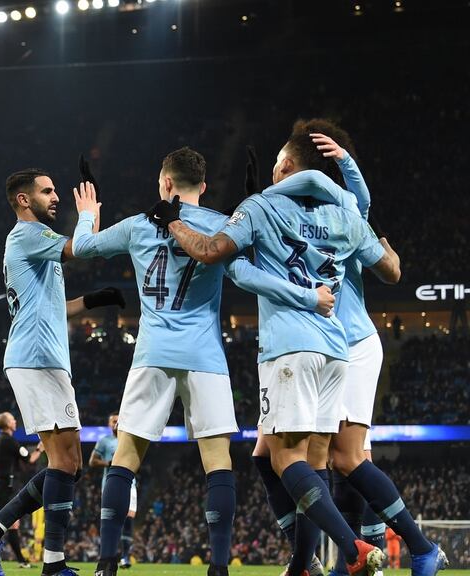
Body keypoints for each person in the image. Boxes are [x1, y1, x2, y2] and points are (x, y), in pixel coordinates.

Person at [151, 121, 406, 576]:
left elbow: (213, 252)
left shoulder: (266, 208)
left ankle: (357, 549)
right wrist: (347, 165)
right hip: (335, 349)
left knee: (301, 458)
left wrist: (172, 220)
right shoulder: (342, 210)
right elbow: (377, 242)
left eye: (275, 165)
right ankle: (304, 561)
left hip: (295, 345)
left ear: (285, 165)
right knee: (302, 458)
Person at [73, 147, 331, 576]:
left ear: (166, 183)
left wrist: (87, 213)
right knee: (218, 462)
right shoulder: (219, 227)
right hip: (205, 356)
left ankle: (105, 563)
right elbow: (249, 274)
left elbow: (82, 247)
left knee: (126, 459)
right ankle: (218, 566)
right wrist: (305, 294)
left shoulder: (138, 225)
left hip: (152, 355)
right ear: (204, 186)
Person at [252, 124, 446, 576]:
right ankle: (319, 560)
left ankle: (407, 548)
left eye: (284, 161)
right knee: (269, 454)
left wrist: (346, 166)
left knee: (339, 457)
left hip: (349, 342)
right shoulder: (291, 211)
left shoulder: (340, 210)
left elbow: (390, 264)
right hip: (314, 342)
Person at [0, 169, 125, 576]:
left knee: (68, 462)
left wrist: (93, 299)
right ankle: (52, 563)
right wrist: (87, 213)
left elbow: (55, 305)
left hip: (44, 358)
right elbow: (84, 248)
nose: (55, 197)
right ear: (23, 199)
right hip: (36, 359)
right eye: (47, 191)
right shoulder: (27, 235)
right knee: (65, 460)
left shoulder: (34, 243)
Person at [0, 412, 33, 569]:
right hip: (8, 486)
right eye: (12, 419)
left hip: (0, 485)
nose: (15, 421)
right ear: (7, 424)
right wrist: (41, 449)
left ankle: (21, 560)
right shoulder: (10, 441)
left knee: (11, 523)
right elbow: (29, 459)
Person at [89, 414, 137, 569]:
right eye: (114, 421)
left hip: (131, 484)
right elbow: (92, 461)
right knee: (112, 519)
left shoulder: (129, 440)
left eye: (118, 420)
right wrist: (109, 463)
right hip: (109, 484)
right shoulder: (104, 441)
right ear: (109, 424)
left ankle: (125, 556)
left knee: (128, 519)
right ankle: (109, 554)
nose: (116, 423)